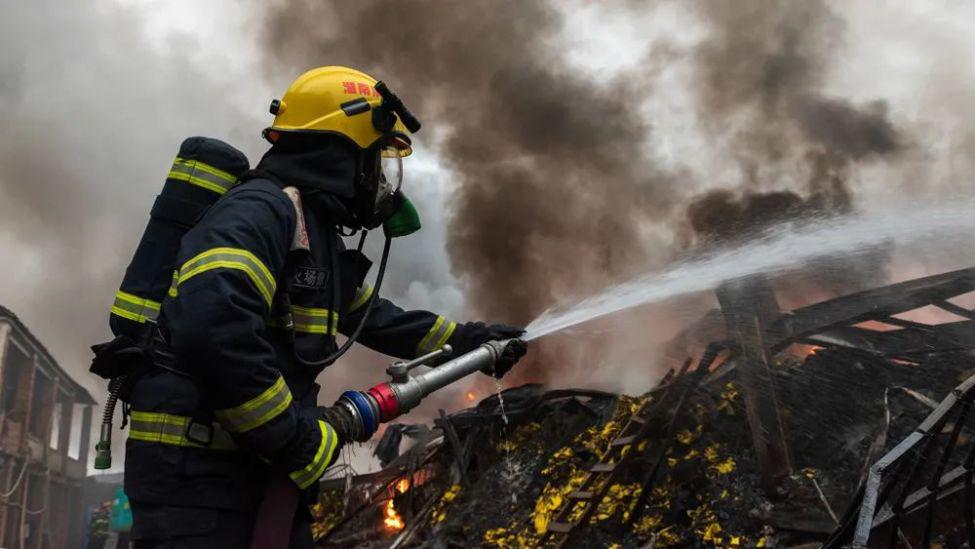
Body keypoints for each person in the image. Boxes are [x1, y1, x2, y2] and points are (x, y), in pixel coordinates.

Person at [123, 66, 527, 548]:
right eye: (377, 160)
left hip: (246, 471)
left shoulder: (313, 235)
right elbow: (212, 323)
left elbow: (372, 319)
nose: (382, 179)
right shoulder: (260, 210)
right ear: (343, 153)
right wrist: (290, 436)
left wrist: (468, 340)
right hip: (197, 479)